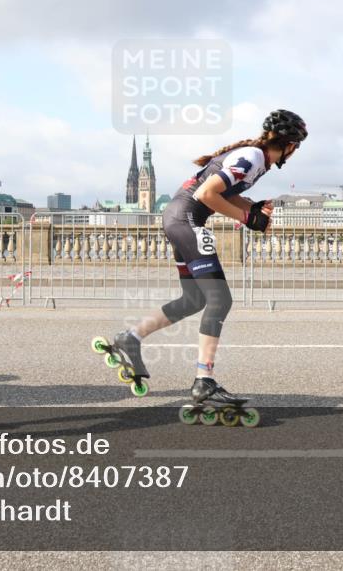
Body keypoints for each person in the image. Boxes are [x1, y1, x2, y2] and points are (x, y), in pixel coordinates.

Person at [92, 109, 307, 425]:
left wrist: (254, 208)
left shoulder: (254, 160)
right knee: (220, 299)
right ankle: (203, 381)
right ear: (290, 145)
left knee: (194, 299)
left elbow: (221, 193)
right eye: (296, 147)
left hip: (179, 217)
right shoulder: (253, 157)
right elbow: (207, 194)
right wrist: (248, 218)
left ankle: (131, 338)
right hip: (187, 220)